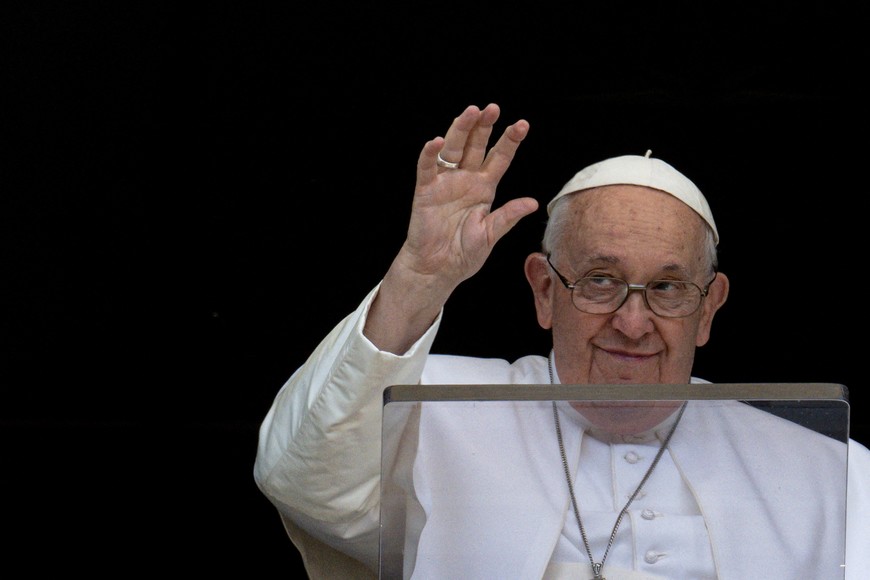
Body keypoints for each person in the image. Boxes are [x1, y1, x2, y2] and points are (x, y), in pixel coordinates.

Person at [254, 103, 870, 579]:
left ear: (708, 308)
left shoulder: (829, 470)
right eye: (600, 282)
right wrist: (419, 277)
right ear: (545, 290)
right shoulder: (429, 410)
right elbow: (303, 479)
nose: (633, 323)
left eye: (668, 287)